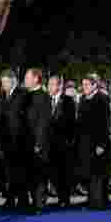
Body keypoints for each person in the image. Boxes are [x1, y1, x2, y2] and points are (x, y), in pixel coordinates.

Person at [77, 73, 111, 209]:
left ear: (94, 85)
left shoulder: (102, 99)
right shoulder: (83, 99)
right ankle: (91, 199)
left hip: (98, 143)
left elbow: (105, 123)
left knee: (98, 173)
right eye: (83, 84)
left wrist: (102, 144)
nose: (83, 87)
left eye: (86, 85)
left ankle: (99, 201)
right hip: (85, 143)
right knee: (89, 173)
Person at [23, 68, 51, 214]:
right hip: (27, 142)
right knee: (30, 174)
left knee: (39, 174)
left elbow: (43, 122)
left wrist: (39, 143)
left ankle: (40, 204)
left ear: (36, 79)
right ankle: (33, 202)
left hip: (38, 143)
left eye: (27, 77)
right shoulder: (27, 95)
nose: (25, 80)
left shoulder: (44, 96)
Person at [46, 74, 77, 208]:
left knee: (64, 173)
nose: (49, 87)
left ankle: (65, 198)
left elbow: (70, 122)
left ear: (59, 86)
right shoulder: (47, 100)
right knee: (53, 173)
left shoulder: (68, 101)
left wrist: (69, 141)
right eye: (49, 84)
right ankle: (59, 196)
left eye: (52, 84)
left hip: (63, 143)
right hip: (50, 143)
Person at [0, 69, 27, 210]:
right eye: (2, 82)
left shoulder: (22, 94)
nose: (3, 85)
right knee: (8, 172)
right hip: (6, 140)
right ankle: (10, 199)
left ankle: (22, 200)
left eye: (5, 82)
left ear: (13, 81)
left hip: (19, 140)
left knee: (20, 172)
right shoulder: (3, 96)